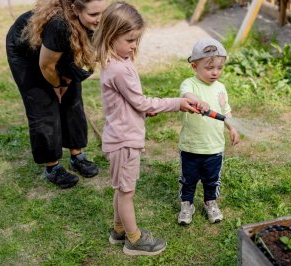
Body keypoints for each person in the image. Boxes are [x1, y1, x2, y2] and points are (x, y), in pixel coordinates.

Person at [92, 2, 200, 256]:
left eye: (136, 40)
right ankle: (134, 239)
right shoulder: (119, 68)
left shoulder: (116, 60)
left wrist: (139, 109)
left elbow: (132, 102)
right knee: (127, 193)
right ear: (110, 35)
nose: (133, 46)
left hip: (119, 136)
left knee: (122, 189)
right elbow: (139, 101)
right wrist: (177, 103)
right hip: (124, 142)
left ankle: (119, 230)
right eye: (129, 40)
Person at [6, 0, 106, 189]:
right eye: (93, 15)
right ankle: (52, 167)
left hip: (57, 49)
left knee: (73, 100)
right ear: (75, 9)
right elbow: (46, 65)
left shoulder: (91, 22)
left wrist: (66, 82)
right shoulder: (59, 24)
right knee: (43, 106)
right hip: (27, 53)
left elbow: (78, 59)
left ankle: (77, 156)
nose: (99, 19)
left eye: (102, 12)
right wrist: (56, 85)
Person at [177, 38, 240, 225]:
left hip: (214, 147)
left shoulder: (220, 88)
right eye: (209, 67)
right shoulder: (189, 84)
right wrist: (197, 100)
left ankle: (210, 203)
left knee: (212, 180)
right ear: (194, 66)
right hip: (191, 146)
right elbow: (186, 95)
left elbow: (226, 110)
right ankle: (186, 204)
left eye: (219, 68)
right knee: (188, 180)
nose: (215, 72)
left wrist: (232, 127)